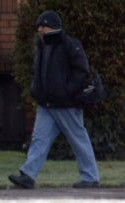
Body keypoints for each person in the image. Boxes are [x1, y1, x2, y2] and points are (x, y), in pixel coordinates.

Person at [8, 10, 100, 189]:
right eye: (39, 26)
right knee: (39, 139)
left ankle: (90, 178)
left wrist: (67, 91)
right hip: (47, 105)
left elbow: (81, 71)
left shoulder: (68, 45)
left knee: (78, 140)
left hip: (66, 105)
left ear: (53, 26)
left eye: (43, 25)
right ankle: (28, 175)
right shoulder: (42, 46)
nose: (40, 29)